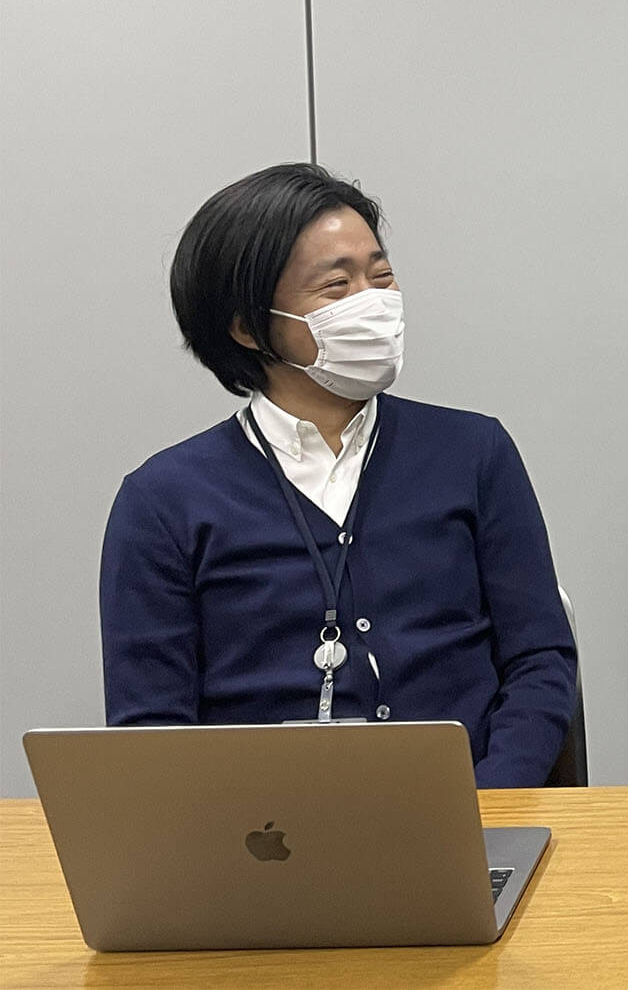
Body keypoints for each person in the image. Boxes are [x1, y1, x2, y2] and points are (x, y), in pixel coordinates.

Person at [100, 163, 577, 788]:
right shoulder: (163, 501)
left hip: (467, 811)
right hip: (262, 832)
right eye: (336, 285)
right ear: (247, 327)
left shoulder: (474, 452)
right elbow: (151, 734)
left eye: (381, 276)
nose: (373, 302)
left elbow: (539, 658)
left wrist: (489, 804)